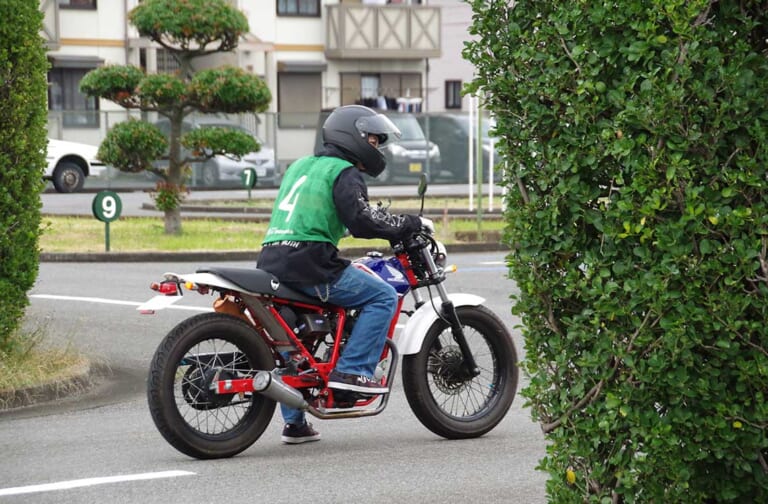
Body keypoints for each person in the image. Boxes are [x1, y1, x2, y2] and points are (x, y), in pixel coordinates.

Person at [257, 105, 433, 444]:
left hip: (272, 259)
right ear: (350, 134)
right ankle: (353, 373)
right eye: (370, 137)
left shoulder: (301, 166)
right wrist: (409, 223)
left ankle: (295, 422)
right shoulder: (345, 171)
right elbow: (362, 221)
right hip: (311, 262)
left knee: (296, 338)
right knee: (380, 294)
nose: (375, 145)